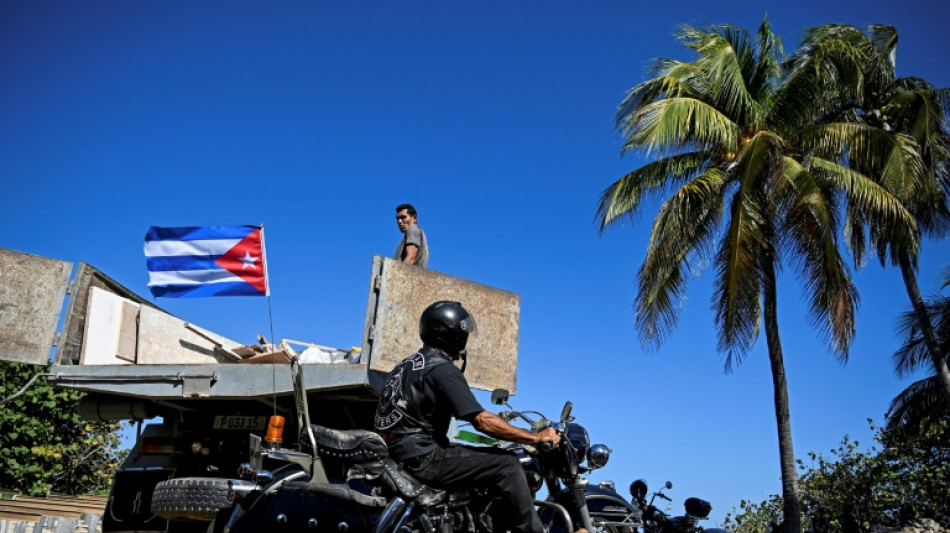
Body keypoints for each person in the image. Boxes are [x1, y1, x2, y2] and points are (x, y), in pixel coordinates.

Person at [374, 301, 559, 533]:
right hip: (424, 457)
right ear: (452, 334)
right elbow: (482, 421)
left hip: (400, 454)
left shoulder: (405, 366)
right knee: (508, 464)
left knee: (468, 455)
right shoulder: (442, 369)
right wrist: (534, 437)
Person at [394, 203, 428, 267]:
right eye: (397, 218)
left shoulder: (413, 228)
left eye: (403, 217)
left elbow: (411, 257)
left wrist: (399, 275)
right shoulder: (409, 235)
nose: (399, 221)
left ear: (414, 218)